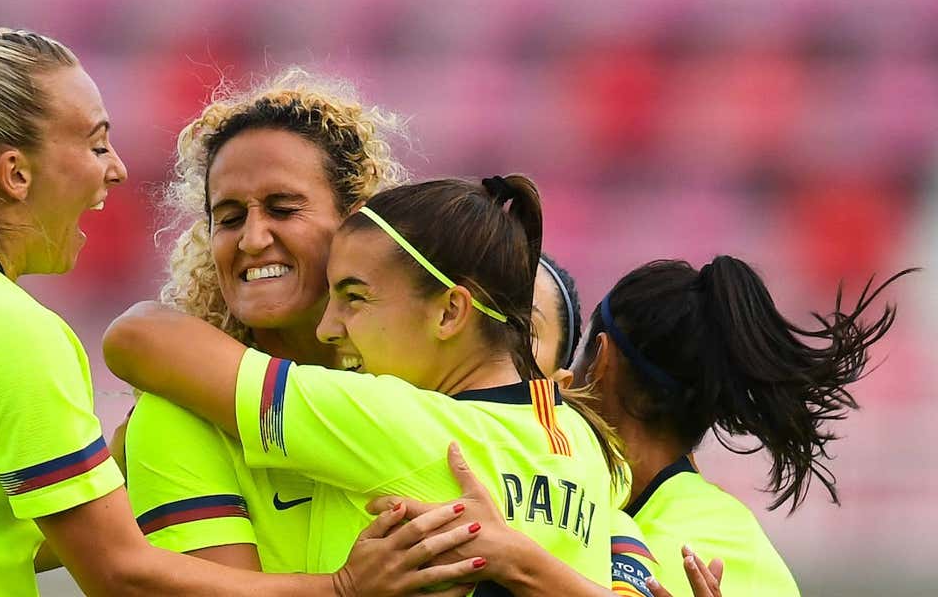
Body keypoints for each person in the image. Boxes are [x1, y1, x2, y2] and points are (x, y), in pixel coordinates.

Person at [0, 0, 481, 596]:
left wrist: (106, 470)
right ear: (16, 174)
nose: (114, 170)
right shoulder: (5, 327)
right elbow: (120, 574)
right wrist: (343, 589)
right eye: (96, 142)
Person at [105, 175, 648, 595]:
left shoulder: (397, 421)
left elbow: (137, 338)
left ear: (450, 311)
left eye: (354, 297)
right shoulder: (584, 441)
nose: (328, 326)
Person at [122, 69, 409, 571]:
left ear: (357, 223)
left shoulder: (427, 390)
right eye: (229, 218)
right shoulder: (177, 415)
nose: (253, 240)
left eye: (282, 209)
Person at [568, 257, 911, 596]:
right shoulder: (739, 540)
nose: (564, 378)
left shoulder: (583, 542)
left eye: (579, 352)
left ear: (602, 360)